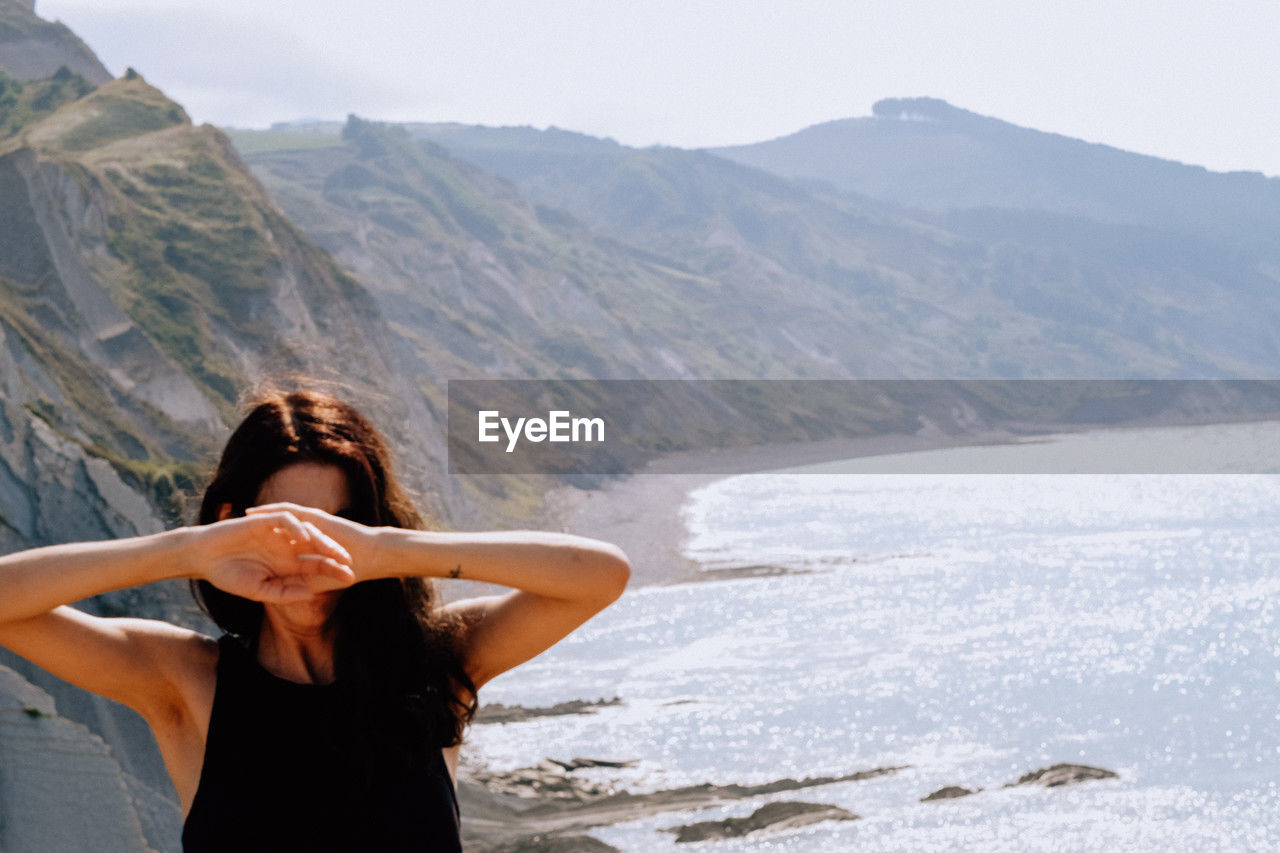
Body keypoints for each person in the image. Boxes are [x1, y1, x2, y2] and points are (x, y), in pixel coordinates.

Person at [0, 389, 631, 851]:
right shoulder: (184, 680)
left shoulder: (436, 663)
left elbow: (603, 576)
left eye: (337, 524)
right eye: (283, 526)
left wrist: (384, 552)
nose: (310, 553)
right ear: (233, 521)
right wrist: (194, 550)